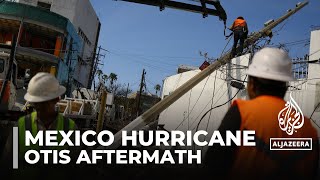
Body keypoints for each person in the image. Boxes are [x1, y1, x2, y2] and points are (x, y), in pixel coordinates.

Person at [204, 48, 319, 179]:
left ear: (251, 84)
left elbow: (213, 165)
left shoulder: (242, 112)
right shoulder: (308, 129)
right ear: (285, 86)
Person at [1, 72, 77, 177]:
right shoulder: (21, 125)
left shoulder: (70, 128)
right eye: (36, 103)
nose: (39, 107)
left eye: (44, 103)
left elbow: (75, 168)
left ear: (56, 100)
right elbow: (8, 163)